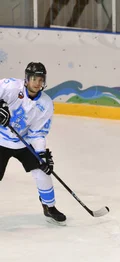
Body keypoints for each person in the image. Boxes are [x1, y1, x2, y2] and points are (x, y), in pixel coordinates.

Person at [0, 62, 66, 225]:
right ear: (27, 79)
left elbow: (37, 132)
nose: (37, 83)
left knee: (43, 171)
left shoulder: (45, 103)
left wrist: (41, 154)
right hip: (0, 140)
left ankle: (49, 207)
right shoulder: (10, 87)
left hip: (24, 142)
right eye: (34, 78)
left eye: (40, 79)